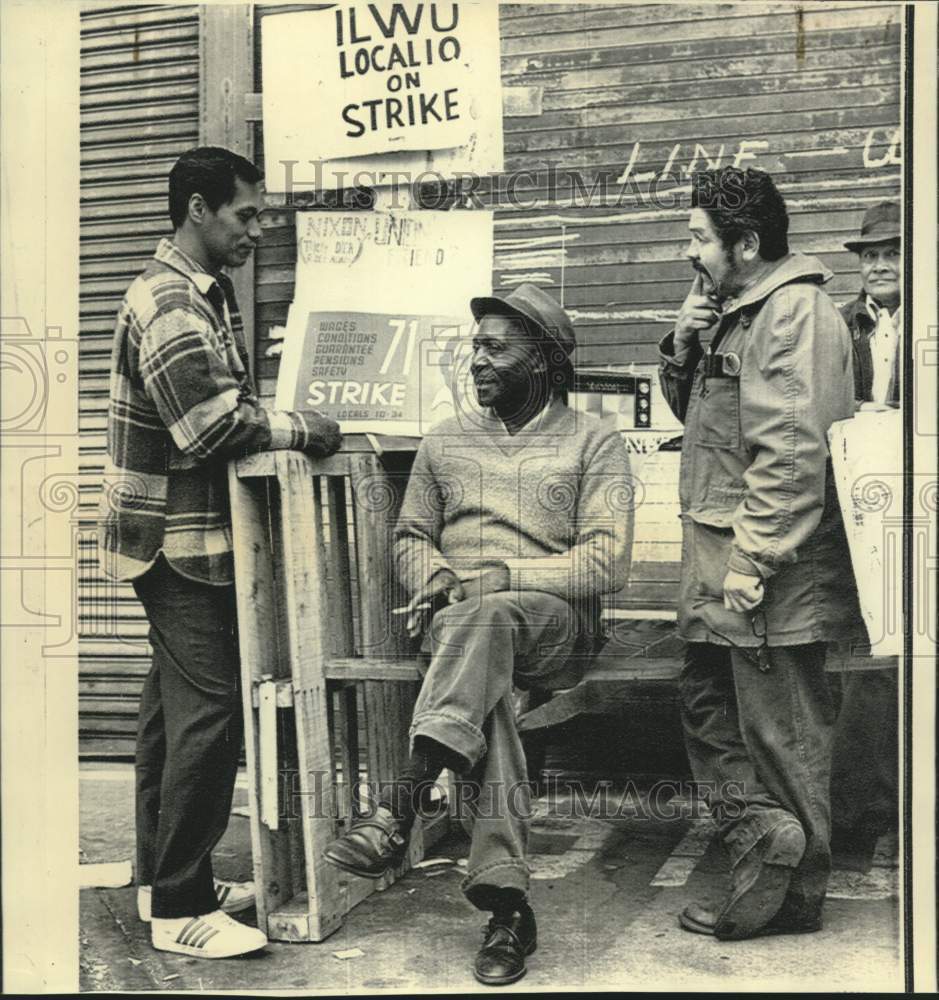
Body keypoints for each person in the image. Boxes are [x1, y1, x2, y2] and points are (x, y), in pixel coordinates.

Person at [323, 283, 633, 985]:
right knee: (482, 667)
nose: (476, 362)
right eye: (475, 348)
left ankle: (398, 804)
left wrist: (498, 575)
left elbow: (605, 561)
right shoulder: (444, 440)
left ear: (545, 361)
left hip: (557, 627)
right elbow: (407, 536)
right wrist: (431, 571)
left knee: (485, 621)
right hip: (465, 630)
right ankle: (506, 907)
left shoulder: (594, 441)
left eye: (495, 348)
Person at [97, 146, 342, 959]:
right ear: (198, 210)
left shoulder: (203, 294)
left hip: (186, 540)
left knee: (170, 720)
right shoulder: (169, 300)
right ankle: (178, 910)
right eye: (246, 214)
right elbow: (208, 426)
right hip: (179, 542)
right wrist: (308, 429)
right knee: (210, 718)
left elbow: (226, 404)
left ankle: (161, 876)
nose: (257, 229)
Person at [659, 166, 861, 940]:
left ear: (744, 243)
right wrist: (682, 344)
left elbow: (789, 450)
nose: (690, 253)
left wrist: (754, 559)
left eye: (699, 239)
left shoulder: (795, 314)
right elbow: (701, 418)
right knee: (708, 705)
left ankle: (796, 894)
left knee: (782, 732)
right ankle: (761, 841)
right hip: (718, 560)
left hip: (764, 566)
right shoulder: (733, 314)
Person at [828, 201, 901, 865]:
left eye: (891, 252)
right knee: (869, 657)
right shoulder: (838, 325)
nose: (877, 264)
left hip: (918, 500)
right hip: (854, 499)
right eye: (868, 254)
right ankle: (856, 817)